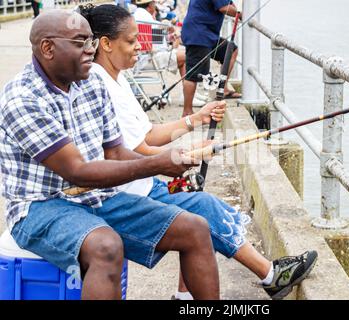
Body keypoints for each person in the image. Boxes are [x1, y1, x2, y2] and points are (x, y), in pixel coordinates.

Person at [79, 3, 318, 300]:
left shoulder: (118, 78)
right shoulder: (102, 85)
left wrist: (197, 118)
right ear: (105, 43)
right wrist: (185, 154)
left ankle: (190, 295)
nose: (139, 46)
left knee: (195, 203)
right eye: (131, 40)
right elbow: (140, 149)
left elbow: (149, 134)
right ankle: (271, 274)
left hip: (137, 182)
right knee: (201, 209)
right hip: (125, 190)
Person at [0, 10, 220, 300]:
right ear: (48, 48)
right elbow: (76, 171)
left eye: (90, 40)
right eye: (80, 42)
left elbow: (116, 152)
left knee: (195, 227)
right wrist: (158, 163)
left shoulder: (92, 82)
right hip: (40, 207)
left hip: (95, 198)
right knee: (106, 246)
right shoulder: (23, 99)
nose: (90, 49)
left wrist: (170, 162)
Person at [134, 0, 207, 107]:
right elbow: (152, 44)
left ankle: (189, 94)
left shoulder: (139, 14)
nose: (156, 6)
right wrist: (168, 27)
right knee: (188, 56)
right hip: (148, 58)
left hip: (148, 56)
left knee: (185, 55)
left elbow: (154, 40)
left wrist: (168, 37)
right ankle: (188, 95)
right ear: (150, 5)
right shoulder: (144, 16)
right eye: (154, 3)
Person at [180, 0, 242, 117]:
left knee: (231, 50)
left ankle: (223, 89)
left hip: (209, 35)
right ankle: (187, 112)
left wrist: (237, 10)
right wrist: (241, 14)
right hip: (198, 33)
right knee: (192, 75)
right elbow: (224, 8)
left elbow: (229, 4)